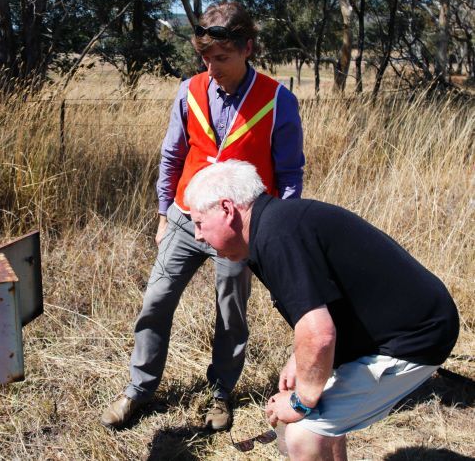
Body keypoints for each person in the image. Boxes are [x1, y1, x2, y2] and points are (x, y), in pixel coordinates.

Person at [100, 1, 305, 430]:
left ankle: (220, 393)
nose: (212, 69)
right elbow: (172, 154)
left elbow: (289, 175)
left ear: (248, 48)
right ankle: (139, 389)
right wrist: (162, 214)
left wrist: (274, 232)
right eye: (205, 58)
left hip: (240, 229)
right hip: (184, 216)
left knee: (231, 311)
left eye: (222, 58)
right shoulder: (188, 90)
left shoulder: (278, 99)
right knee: (156, 299)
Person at [185, 160, 460, 460]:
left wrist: (300, 401)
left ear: (227, 209)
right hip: (406, 326)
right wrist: (299, 360)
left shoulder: (276, 237)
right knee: (314, 414)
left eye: (200, 223)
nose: (198, 235)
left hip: (415, 338)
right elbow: (323, 309)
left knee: (302, 433)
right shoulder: (275, 225)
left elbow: (319, 336)